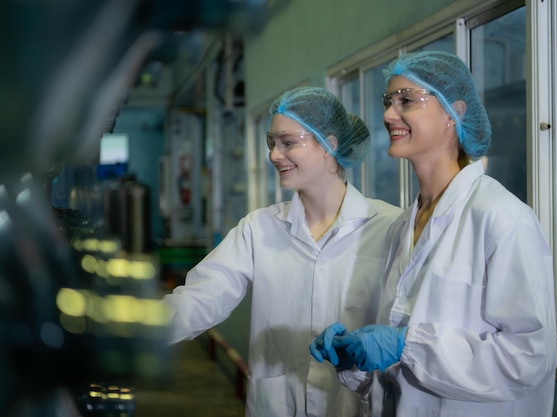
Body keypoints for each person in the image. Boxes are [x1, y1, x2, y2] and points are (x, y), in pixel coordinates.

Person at [310, 51, 557, 416]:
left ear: (453, 112)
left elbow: (529, 358)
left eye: (406, 101)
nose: (388, 114)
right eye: (388, 101)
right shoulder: (402, 227)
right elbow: (398, 366)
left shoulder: (501, 218)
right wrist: (355, 355)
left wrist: (407, 346)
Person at [163, 86, 402, 417]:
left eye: (288, 143)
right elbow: (202, 297)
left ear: (329, 144)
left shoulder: (390, 226)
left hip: (353, 404)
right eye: (271, 143)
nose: (275, 154)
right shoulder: (259, 228)